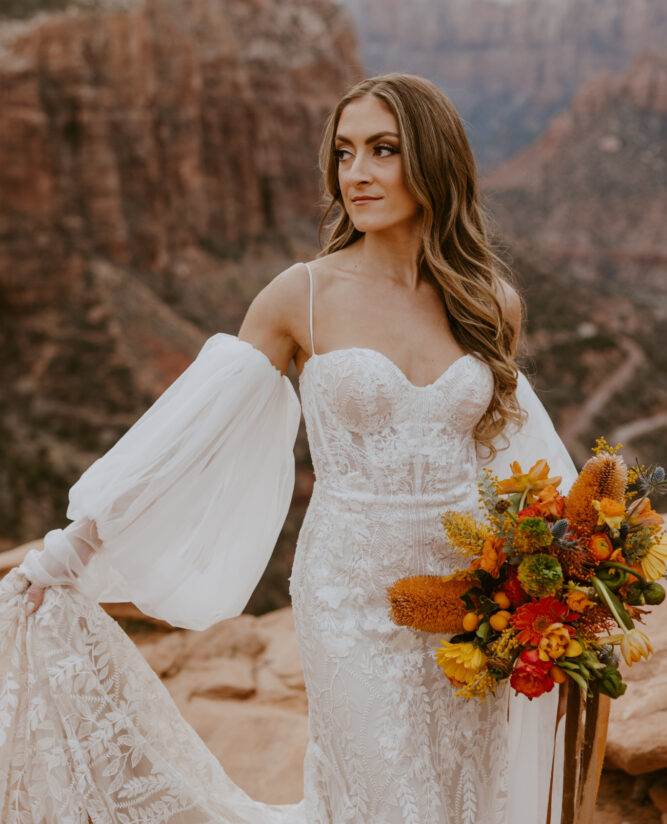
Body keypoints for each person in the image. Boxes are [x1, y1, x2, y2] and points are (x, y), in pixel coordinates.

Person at [1, 73, 576, 824]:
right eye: (343, 153)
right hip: (348, 593)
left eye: (383, 150)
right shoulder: (300, 296)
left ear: (434, 161)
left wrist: (584, 559)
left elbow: (514, 454)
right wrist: (71, 549)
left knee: (460, 791)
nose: (356, 174)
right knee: (388, 795)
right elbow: (191, 435)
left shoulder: (486, 299)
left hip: (466, 599)